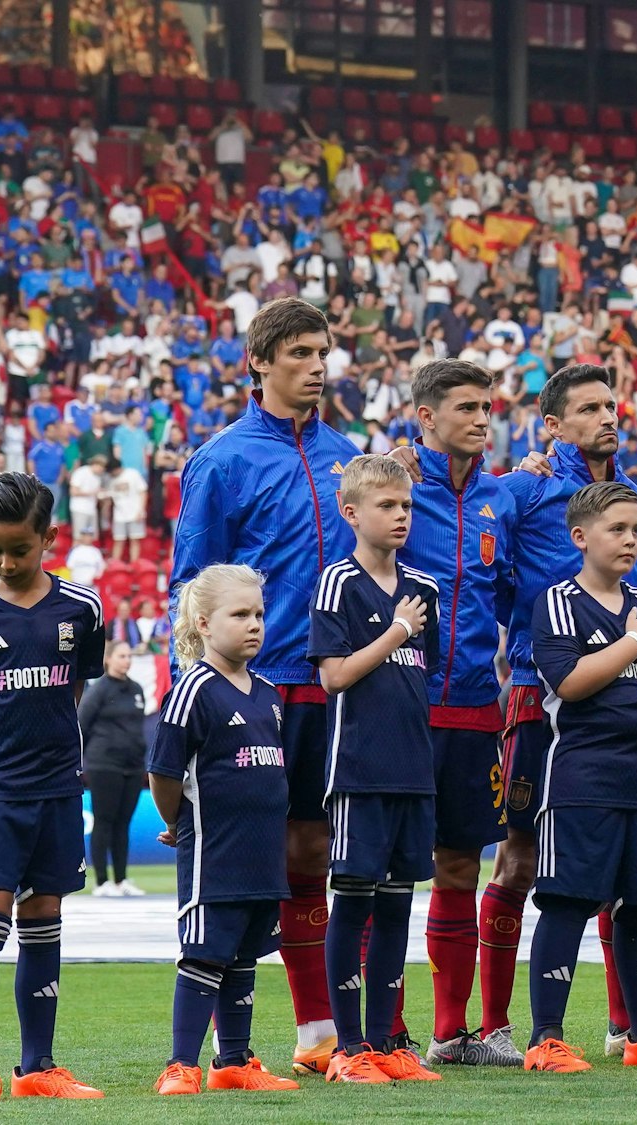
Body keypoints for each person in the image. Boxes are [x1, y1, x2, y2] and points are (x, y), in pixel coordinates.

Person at [171, 297, 362, 1074]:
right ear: (260, 361)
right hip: (255, 685)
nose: (317, 366)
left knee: (315, 849)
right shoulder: (221, 460)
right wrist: (199, 690)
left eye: (324, 352)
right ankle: (223, 1036)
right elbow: (191, 585)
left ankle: (318, 1032)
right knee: (250, 860)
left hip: (334, 683)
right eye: (301, 353)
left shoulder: (347, 454)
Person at [488, 363, 637, 1056]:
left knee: (625, 869)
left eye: (611, 404)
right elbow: (465, 532)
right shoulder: (524, 491)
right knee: (521, 858)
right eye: (589, 407)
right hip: (543, 697)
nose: (607, 415)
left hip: (632, 701)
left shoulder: (636, 499)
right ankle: (492, 1028)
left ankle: (631, 1028)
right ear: (552, 424)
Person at [521, 481, 637, 1073]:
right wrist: (632, 641)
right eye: (616, 529)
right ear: (580, 537)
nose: (630, 539)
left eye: (635, 529)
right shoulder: (558, 602)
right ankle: (546, 1039)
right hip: (581, 782)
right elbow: (568, 683)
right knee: (569, 903)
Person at [0, 471, 107, 1102]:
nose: (6, 562)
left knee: (45, 916)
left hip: (60, 786)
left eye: (20, 549)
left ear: (49, 538)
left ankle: (37, 1066)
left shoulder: (82, 610)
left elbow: (74, 689)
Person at [393, 361, 522, 1069]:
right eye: (466, 406)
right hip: (399, 704)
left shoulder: (503, 499)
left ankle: (450, 1033)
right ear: (425, 418)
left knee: (460, 864)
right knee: (384, 866)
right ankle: (382, 1027)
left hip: (476, 705)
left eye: (487, 406)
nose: (481, 417)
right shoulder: (393, 486)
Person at [307, 454, 445, 1084]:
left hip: (413, 768)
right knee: (353, 903)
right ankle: (349, 1046)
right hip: (358, 769)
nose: (399, 517)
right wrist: (393, 634)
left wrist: (403, 635)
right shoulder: (338, 582)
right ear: (351, 512)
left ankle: (390, 1041)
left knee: (396, 906)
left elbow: (423, 676)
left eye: (407, 507)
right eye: (387, 506)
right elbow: (333, 676)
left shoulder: (426, 590)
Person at [148, 565, 305, 1095]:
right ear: (203, 623)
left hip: (261, 854)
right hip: (213, 853)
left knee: (242, 955)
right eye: (240, 614)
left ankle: (234, 1061)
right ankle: (181, 1064)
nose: (254, 624)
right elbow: (164, 771)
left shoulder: (267, 692)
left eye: (259, 613)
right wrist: (177, 820)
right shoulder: (194, 687)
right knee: (205, 953)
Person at [79, 640, 148, 897]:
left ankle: (121, 879)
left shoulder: (137, 689)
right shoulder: (98, 690)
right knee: (104, 821)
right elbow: (82, 725)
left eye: (129, 656)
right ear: (108, 659)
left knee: (123, 823)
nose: (126, 660)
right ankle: (101, 881)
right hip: (104, 764)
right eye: (121, 656)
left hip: (133, 766)